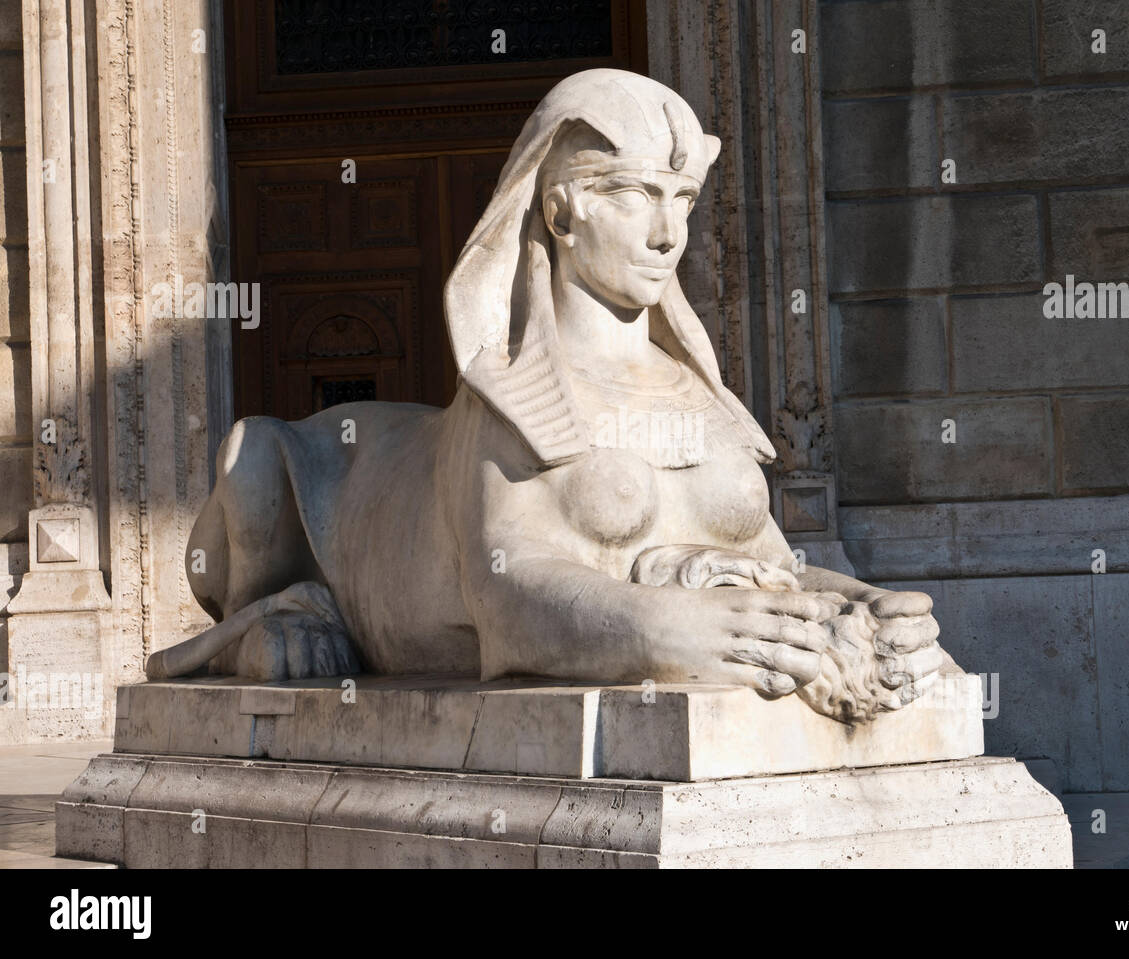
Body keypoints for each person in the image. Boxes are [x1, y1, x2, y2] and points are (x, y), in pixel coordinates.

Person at [148, 70, 952, 725]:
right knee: (256, 452)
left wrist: (875, 607)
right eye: (635, 194)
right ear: (560, 209)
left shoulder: (698, 398)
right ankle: (261, 619)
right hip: (329, 505)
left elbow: (771, 570)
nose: (668, 234)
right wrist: (670, 628)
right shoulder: (508, 403)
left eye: (682, 199)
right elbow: (509, 602)